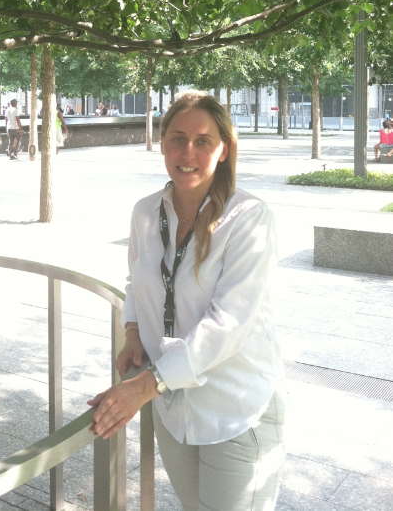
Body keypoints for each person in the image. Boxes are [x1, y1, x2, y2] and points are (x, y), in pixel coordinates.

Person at [88, 91, 286, 511]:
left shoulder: (250, 218)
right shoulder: (145, 212)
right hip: (173, 412)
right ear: (161, 143)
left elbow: (229, 322)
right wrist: (133, 332)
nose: (188, 152)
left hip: (236, 411)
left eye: (203, 141)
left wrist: (144, 386)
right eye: (177, 138)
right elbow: (135, 281)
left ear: (224, 148)